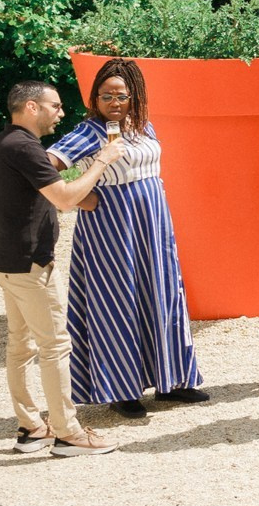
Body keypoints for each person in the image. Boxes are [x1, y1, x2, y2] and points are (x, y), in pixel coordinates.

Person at [52, 59, 205, 419]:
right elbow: (44, 164)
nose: (114, 102)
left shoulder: (142, 127)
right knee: (116, 301)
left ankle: (174, 381)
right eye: (106, 96)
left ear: (135, 96)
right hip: (111, 227)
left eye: (121, 95)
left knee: (164, 294)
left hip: (153, 225)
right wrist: (79, 196)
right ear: (95, 99)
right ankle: (122, 389)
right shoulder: (91, 131)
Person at [0, 81, 126, 455]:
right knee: (55, 346)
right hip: (30, 264)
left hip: (4, 259)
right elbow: (63, 199)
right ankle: (68, 433)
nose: (61, 113)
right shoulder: (25, 147)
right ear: (32, 107)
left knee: (21, 345)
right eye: (55, 106)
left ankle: (32, 427)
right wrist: (102, 160)